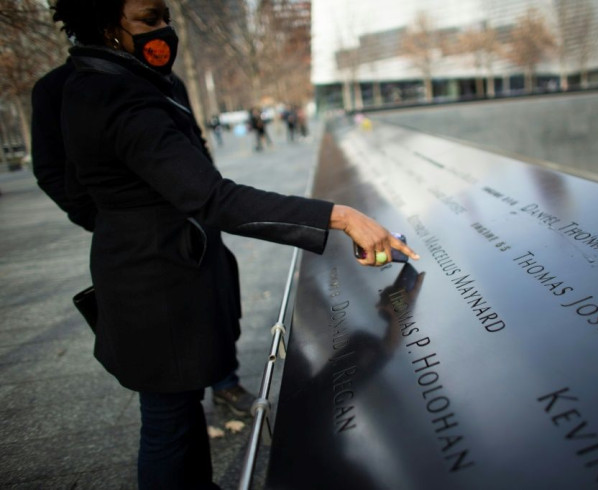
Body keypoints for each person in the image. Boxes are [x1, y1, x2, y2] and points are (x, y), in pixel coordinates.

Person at [48, 1, 418, 489]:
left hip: (144, 271)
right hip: (156, 286)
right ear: (105, 24)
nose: (164, 30)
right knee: (168, 420)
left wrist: (128, 230)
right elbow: (212, 197)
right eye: (149, 19)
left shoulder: (94, 83)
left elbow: (97, 190)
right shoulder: (120, 94)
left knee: (176, 407)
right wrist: (340, 216)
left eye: (165, 16)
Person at [32, 61, 255, 419]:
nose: (160, 30)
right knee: (168, 399)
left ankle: (225, 382)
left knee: (216, 316)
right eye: (148, 17)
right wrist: (102, 219)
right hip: (146, 252)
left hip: (195, 230)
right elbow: (51, 168)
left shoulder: (166, 79)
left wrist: (202, 191)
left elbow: (193, 143)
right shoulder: (61, 88)